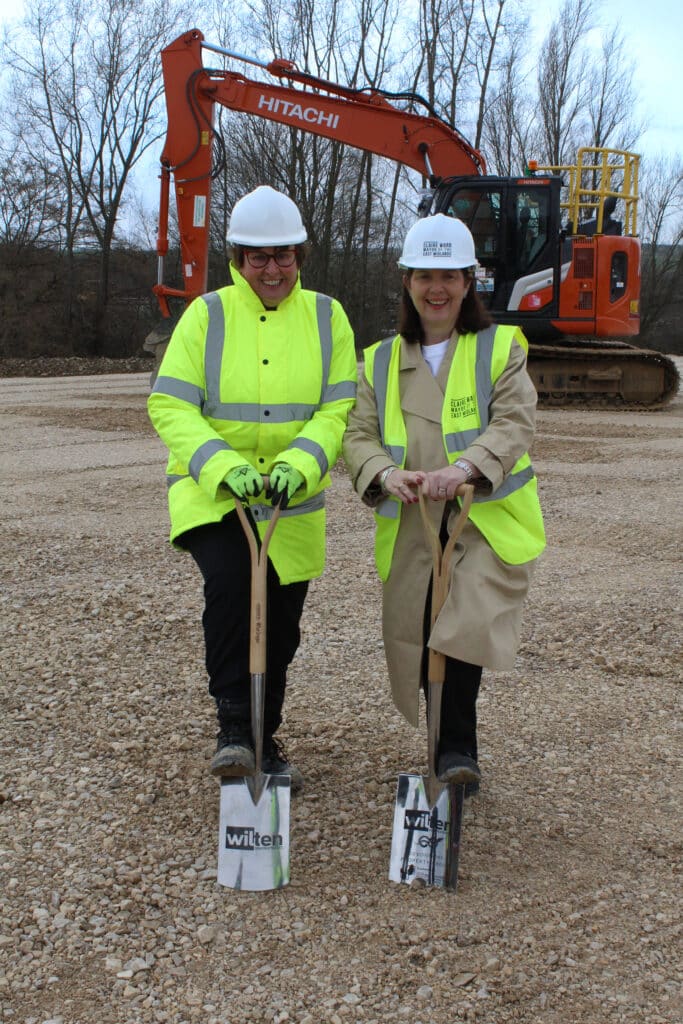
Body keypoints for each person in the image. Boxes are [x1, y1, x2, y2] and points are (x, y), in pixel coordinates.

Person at [148, 185, 357, 792]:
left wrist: (302, 462)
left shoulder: (327, 316)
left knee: (283, 623)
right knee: (235, 589)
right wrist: (221, 467)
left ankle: (266, 734)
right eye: (257, 258)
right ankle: (236, 730)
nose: (271, 269)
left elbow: (337, 406)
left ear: (300, 255)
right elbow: (170, 404)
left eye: (283, 256)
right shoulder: (207, 315)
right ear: (237, 260)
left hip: (292, 499)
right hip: (217, 496)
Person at [342, 214, 545, 795]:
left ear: (467, 282)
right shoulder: (379, 361)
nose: (437, 288)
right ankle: (441, 747)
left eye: (449, 276)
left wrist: (463, 469)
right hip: (414, 521)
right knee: (421, 628)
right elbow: (357, 435)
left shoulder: (499, 348)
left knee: (463, 625)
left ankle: (457, 749)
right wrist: (385, 473)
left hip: (484, 519)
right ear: (407, 281)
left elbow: (514, 421)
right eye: (425, 275)